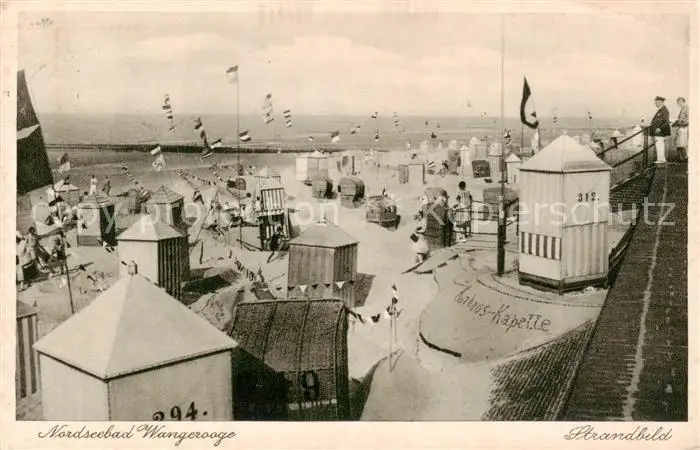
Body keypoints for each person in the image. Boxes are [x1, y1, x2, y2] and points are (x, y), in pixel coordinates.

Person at [649, 96, 671, 164]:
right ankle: (661, 159)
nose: (656, 104)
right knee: (659, 145)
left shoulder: (664, 110)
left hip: (660, 131)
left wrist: (660, 128)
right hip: (657, 131)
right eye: (655, 102)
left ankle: (661, 160)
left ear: (661, 102)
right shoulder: (660, 110)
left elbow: (666, 122)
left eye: (657, 102)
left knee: (660, 145)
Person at [673, 96, 689, 161]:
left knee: (681, 143)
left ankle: (684, 157)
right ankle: (682, 157)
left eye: (679, 102)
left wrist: (679, 123)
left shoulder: (686, 108)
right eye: (677, 102)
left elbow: (688, 119)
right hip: (681, 127)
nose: (678, 103)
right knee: (679, 143)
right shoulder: (682, 108)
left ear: (683, 101)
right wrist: (676, 122)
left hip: (684, 128)